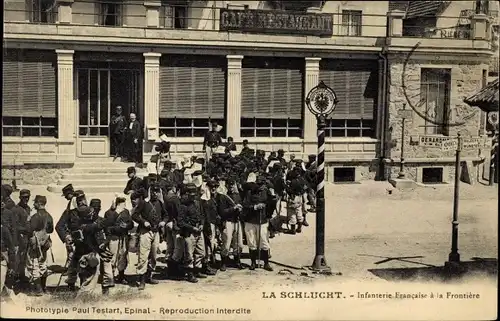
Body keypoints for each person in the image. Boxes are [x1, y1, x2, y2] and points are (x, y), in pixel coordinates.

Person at [68, 197, 113, 296]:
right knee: (82, 270)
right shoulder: (83, 224)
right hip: (90, 251)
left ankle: (105, 292)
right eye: (94, 208)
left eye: (98, 208)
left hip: (102, 248)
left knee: (108, 273)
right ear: (90, 209)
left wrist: (105, 242)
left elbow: (108, 234)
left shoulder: (100, 220)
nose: (95, 211)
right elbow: (95, 227)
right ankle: (81, 291)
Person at [175, 183, 207, 283]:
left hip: (198, 230)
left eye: (194, 194)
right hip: (189, 232)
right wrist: (192, 228)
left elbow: (202, 215)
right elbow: (180, 222)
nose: (193, 196)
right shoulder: (183, 206)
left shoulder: (197, 203)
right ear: (186, 194)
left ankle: (197, 270)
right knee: (189, 254)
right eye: (191, 195)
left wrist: (201, 224)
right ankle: (190, 274)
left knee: (201, 252)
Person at [131, 188, 161, 290]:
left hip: (156, 232)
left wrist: (164, 222)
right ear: (150, 192)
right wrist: (143, 222)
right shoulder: (144, 203)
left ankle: (149, 276)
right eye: (153, 191)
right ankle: (142, 280)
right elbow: (134, 215)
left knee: (153, 256)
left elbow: (165, 215)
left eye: (157, 191)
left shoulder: (160, 203)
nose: (155, 193)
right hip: (145, 232)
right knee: (143, 256)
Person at [242, 179, 273, 271]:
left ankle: (266, 263)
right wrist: (254, 207)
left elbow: (271, 204)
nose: (261, 186)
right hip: (250, 220)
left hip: (262, 221)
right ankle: (253, 263)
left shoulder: (266, 192)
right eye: (259, 184)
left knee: (264, 242)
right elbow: (245, 205)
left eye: (262, 184)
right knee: (251, 242)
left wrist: (271, 197)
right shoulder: (249, 192)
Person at [26, 195, 54, 296]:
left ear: (39, 203)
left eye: (35, 203)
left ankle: (38, 290)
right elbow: (51, 230)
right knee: (43, 264)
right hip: (45, 243)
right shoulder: (49, 216)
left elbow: (29, 231)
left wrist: (28, 221)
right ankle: (43, 287)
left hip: (36, 244)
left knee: (34, 265)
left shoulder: (35, 217)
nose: (33, 204)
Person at [216, 177, 244, 271]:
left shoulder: (237, 195)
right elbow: (222, 212)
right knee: (226, 243)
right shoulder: (223, 196)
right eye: (229, 185)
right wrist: (233, 209)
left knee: (239, 243)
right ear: (226, 186)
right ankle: (223, 262)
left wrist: (240, 210)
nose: (231, 187)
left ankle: (237, 260)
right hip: (228, 221)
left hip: (237, 221)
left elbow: (241, 207)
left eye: (232, 185)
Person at [103, 196, 134, 285]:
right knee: (112, 257)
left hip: (123, 237)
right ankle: (110, 277)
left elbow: (131, 224)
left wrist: (127, 226)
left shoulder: (126, 212)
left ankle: (121, 276)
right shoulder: (109, 213)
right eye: (121, 202)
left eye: (123, 202)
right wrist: (116, 213)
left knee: (123, 257)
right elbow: (107, 226)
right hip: (114, 238)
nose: (123, 204)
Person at [55, 184, 78, 290]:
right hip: (71, 234)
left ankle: (71, 279)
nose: (65, 197)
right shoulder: (73, 201)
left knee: (72, 256)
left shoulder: (73, 202)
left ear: (69, 194)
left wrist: (67, 237)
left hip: (72, 234)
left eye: (65, 195)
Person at [16, 189, 31, 285]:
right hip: (19, 237)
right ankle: (17, 277)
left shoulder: (28, 208)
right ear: (20, 197)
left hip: (27, 236)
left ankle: (22, 275)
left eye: (27, 197)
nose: (26, 199)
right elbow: (15, 225)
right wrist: (24, 230)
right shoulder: (17, 209)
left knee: (25, 257)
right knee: (19, 257)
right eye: (24, 197)